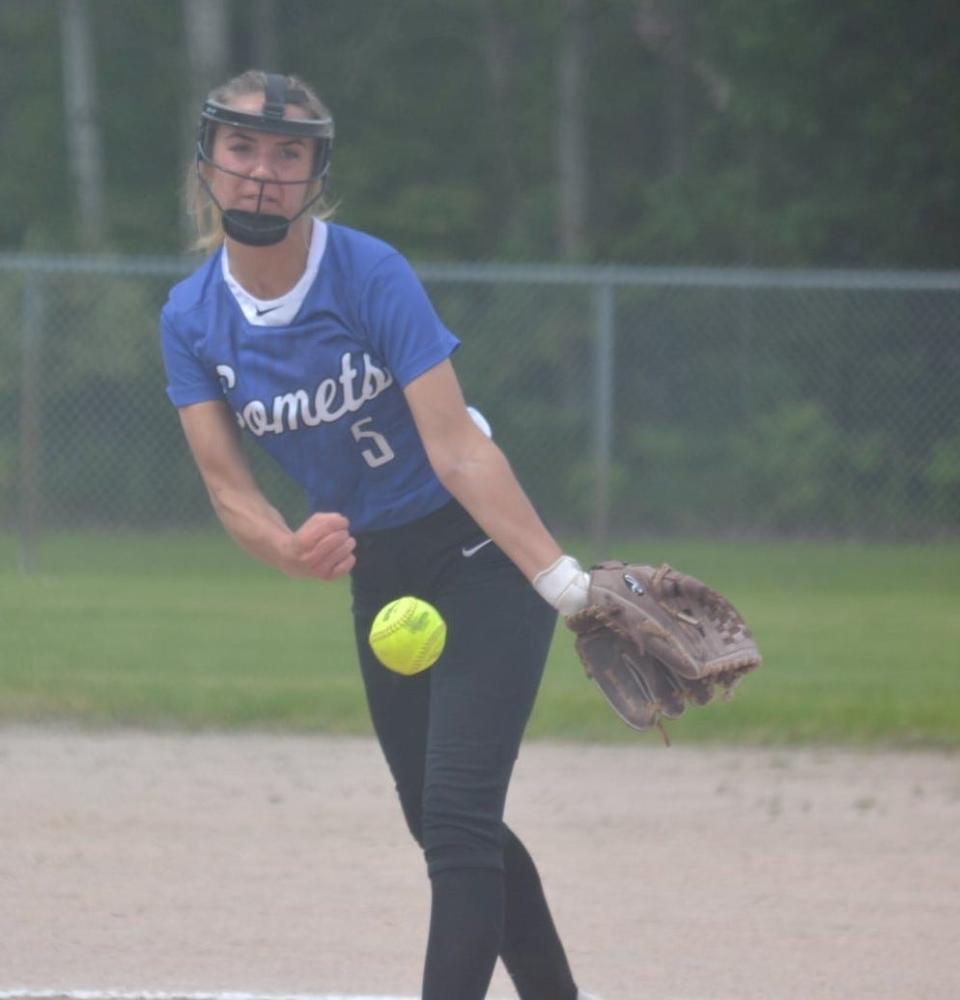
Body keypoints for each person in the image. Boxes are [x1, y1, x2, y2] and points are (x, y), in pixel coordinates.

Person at [159, 69, 602, 1000]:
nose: (263, 174)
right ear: (209, 162)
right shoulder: (192, 318)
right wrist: (283, 547)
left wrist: (562, 583)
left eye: (289, 154)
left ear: (317, 172)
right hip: (383, 578)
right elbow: (227, 486)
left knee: (456, 822)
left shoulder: (367, 274)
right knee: (443, 821)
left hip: (480, 553)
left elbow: (456, 450)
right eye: (242, 149)